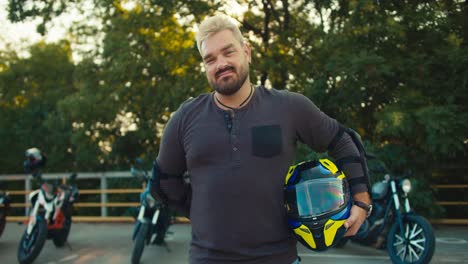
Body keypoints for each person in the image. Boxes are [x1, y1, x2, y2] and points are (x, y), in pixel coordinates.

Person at [149, 15, 371, 264]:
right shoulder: (184, 118)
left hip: (279, 258)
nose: (220, 63)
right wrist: (201, 209)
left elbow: (342, 140)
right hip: (207, 258)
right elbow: (163, 182)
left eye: (228, 52)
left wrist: (362, 203)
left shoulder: (289, 106)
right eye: (210, 59)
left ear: (247, 52)